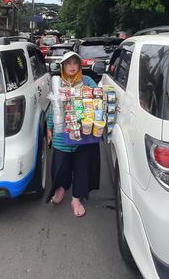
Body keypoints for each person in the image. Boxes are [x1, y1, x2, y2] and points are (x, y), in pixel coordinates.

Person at [46, 51, 101, 217]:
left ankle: (76, 198)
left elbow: (99, 99)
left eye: (74, 63)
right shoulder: (57, 82)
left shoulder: (87, 81)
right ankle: (61, 188)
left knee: (81, 166)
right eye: (68, 63)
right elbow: (53, 108)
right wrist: (49, 127)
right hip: (61, 134)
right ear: (62, 66)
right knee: (60, 166)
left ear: (79, 65)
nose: (71, 66)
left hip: (82, 136)